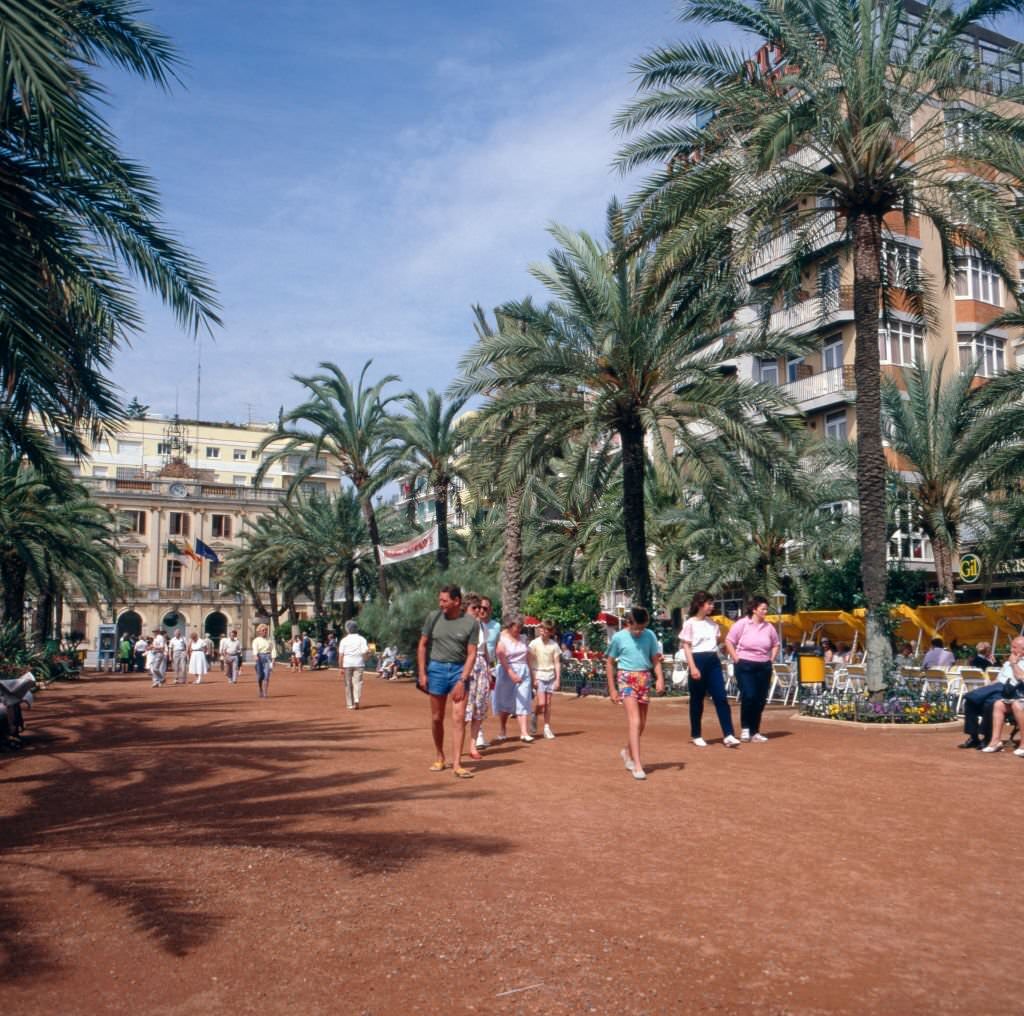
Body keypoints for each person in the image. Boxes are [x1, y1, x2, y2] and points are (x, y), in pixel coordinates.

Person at [417, 584, 479, 778]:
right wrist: (422, 673)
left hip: (459, 672)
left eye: (444, 600)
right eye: (440, 600)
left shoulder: (471, 623)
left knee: (459, 718)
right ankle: (439, 756)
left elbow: (472, 654)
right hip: (436, 669)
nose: (441, 604)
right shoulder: (433, 618)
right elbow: (422, 646)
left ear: (456, 601)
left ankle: (457, 764)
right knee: (437, 717)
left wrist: (462, 680)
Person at [606, 606, 665, 781]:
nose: (639, 631)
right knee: (635, 721)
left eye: (642, 627)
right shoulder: (618, 638)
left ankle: (627, 751)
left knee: (642, 723)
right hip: (626, 677)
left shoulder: (650, 635)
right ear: (628, 623)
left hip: (644, 677)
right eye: (636, 628)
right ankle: (637, 764)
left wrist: (660, 678)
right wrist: (612, 689)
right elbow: (609, 663)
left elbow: (655, 659)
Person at [681, 592, 740, 748]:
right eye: (709, 603)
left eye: (712, 603)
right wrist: (693, 667)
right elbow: (686, 646)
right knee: (697, 700)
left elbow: (719, 644)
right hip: (697, 660)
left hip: (713, 661)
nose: (712, 606)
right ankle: (696, 734)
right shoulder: (690, 623)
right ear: (700, 604)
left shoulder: (713, 624)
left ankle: (728, 734)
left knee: (721, 697)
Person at [725, 595, 780, 743]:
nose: (765, 611)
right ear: (754, 609)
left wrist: (771, 659)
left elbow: (776, 644)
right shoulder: (742, 624)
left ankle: (755, 731)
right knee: (749, 696)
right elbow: (729, 641)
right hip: (745, 665)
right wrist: (736, 658)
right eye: (763, 609)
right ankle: (745, 728)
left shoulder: (769, 627)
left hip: (764, 666)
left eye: (766, 609)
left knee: (760, 699)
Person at [977, 636, 1024, 754]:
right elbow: (999, 679)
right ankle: (995, 741)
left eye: (1014, 647)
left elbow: (1021, 677)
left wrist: (1014, 664)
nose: (1011, 650)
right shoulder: (1008, 662)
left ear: (1023, 650)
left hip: (1020, 696)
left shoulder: (1012, 662)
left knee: (1017, 705)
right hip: (1012, 695)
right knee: (998, 704)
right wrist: (985, 687)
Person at [493, 615, 533, 744]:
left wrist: (531, 675)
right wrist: (511, 674)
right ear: (510, 627)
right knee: (505, 702)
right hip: (506, 671)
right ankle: (502, 730)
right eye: (517, 627)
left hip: (523, 670)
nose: (519, 630)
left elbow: (527, 657)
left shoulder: (523, 638)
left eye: (521, 627)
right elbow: (502, 658)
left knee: (524, 699)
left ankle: (524, 732)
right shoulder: (502, 639)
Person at [462, 593, 492, 760]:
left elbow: (485, 649)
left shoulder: (483, 627)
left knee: (479, 707)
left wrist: (489, 668)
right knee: (465, 707)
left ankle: (473, 745)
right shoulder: (461, 626)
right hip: (468, 664)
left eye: (482, 608)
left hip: (481, 664)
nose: (480, 611)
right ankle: (459, 744)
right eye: (476, 608)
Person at [528, 619, 561, 740]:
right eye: (541, 628)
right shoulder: (534, 643)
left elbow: (557, 663)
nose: (542, 631)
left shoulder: (554, 645)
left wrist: (558, 679)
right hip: (539, 675)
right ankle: (534, 715)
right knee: (542, 703)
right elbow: (530, 661)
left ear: (550, 632)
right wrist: (533, 677)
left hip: (550, 676)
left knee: (548, 704)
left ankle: (547, 727)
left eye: (545, 629)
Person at [475, 596, 501, 749]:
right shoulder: (471, 625)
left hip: (489, 666)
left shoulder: (495, 626)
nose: (482, 611)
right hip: (474, 665)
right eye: (480, 607)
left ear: (490, 609)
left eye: (486, 608)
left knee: (484, 702)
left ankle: (478, 733)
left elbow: (496, 647)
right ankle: (478, 736)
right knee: (476, 701)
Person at [338, 620, 368, 709]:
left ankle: (350, 704)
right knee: (358, 682)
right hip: (359, 663)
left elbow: (340, 655)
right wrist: (366, 658)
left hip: (347, 663)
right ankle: (356, 699)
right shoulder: (362, 639)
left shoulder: (344, 640)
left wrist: (340, 667)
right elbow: (364, 652)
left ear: (347, 629)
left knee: (348, 684)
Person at [253, 623, 274, 698]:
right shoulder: (256, 640)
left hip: (268, 657)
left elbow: (273, 649)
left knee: (267, 675)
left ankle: (265, 692)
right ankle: (260, 689)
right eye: (263, 630)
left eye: (266, 630)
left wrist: (273, 659)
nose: (265, 631)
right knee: (260, 676)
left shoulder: (270, 640)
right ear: (259, 631)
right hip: (259, 657)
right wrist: (255, 656)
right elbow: (255, 649)